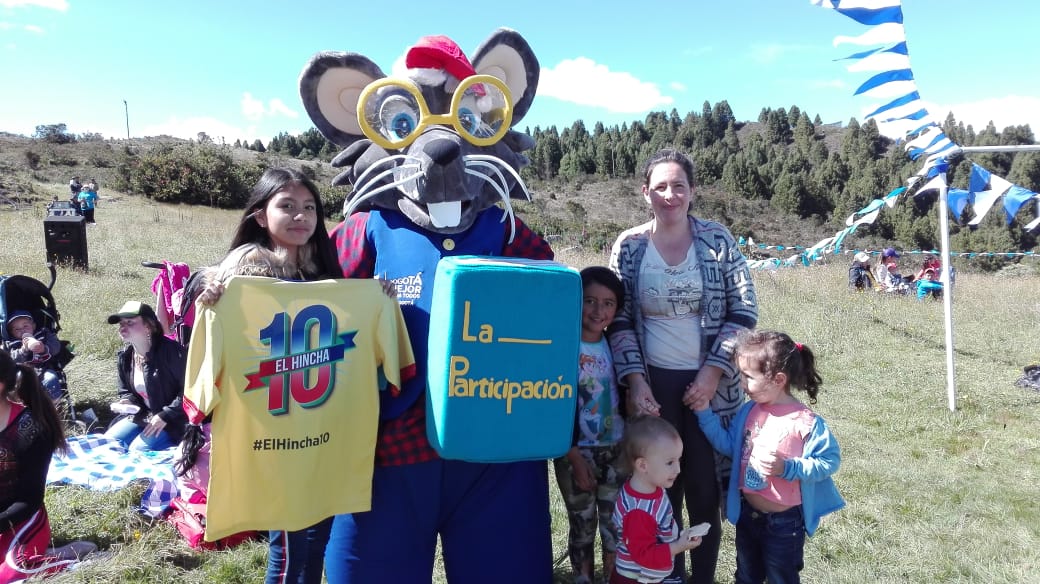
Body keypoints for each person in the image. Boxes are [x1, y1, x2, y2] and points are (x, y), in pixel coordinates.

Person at [191, 167, 358, 584]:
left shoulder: (322, 266)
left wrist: (379, 294)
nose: (301, 216)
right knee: (286, 546)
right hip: (272, 430)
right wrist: (210, 296)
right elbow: (216, 331)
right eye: (287, 206)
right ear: (260, 215)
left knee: (317, 533)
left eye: (309, 208)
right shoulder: (245, 267)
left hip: (318, 427)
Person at [608, 148, 758, 584]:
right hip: (652, 386)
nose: (669, 194)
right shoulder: (630, 245)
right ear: (645, 192)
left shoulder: (717, 241)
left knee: (703, 487)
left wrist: (712, 373)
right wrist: (635, 381)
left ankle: (703, 576)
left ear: (693, 191)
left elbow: (744, 310)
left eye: (678, 185)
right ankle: (663, 574)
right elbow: (618, 319)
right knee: (658, 486)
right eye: (660, 186)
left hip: (708, 389)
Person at [692, 330, 844, 584]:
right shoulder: (749, 411)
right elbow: (729, 445)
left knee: (780, 577)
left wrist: (787, 467)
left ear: (778, 379)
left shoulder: (805, 423)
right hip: (748, 517)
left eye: (748, 376)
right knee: (746, 576)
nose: (741, 383)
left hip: (784, 524)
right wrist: (703, 412)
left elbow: (829, 461)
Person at [554, 266, 627, 584]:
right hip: (575, 454)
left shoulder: (618, 347)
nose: (599, 310)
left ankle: (614, 578)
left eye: (608, 303)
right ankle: (583, 578)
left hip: (615, 452)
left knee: (616, 527)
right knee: (582, 526)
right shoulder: (561, 347)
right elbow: (555, 405)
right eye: (590, 301)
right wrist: (572, 456)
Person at [0, 350, 95, 583]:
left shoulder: (31, 428)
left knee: (7, 575)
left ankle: (66, 555)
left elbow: (28, 500)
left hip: (21, 519)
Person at [612, 415, 704, 584]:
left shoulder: (650, 486)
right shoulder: (638, 512)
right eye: (670, 462)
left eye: (679, 460)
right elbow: (644, 556)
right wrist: (678, 547)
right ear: (642, 465)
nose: (677, 469)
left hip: (649, 576)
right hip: (636, 579)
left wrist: (677, 536)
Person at [103, 301, 187, 451]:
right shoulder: (126, 357)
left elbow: (190, 390)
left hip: (174, 421)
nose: (123, 327)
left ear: (149, 326)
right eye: (121, 323)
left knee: (137, 451)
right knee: (108, 443)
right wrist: (126, 401)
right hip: (144, 416)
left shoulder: (173, 353)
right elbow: (126, 391)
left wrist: (165, 415)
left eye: (130, 322)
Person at [4, 311, 63, 400]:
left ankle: (56, 407)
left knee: (51, 379)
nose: (22, 330)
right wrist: (23, 350)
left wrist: (44, 349)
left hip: (44, 369)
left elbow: (56, 347)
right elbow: (10, 360)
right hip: (23, 374)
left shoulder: (43, 334)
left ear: (33, 326)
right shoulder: (12, 344)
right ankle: (29, 410)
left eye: (25, 326)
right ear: (11, 333)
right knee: (16, 388)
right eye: (17, 329)